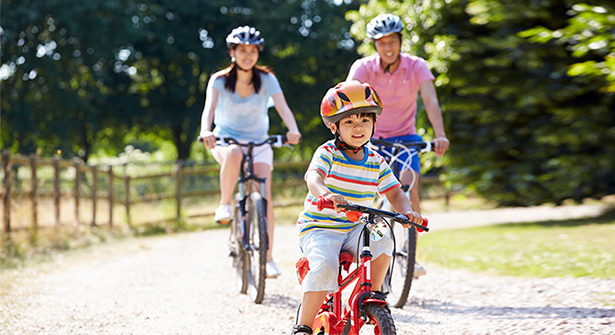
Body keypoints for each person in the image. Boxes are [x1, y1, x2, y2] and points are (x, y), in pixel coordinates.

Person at [289, 80, 424, 335]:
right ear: (334, 126)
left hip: (356, 226)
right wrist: (326, 194)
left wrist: (407, 211)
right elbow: (313, 177)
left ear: (374, 123)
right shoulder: (327, 152)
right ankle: (303, 326)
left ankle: (371, 294)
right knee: (325, 266)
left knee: (384, 237)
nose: (358, 127)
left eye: (365, 120)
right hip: (321, 227)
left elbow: (395, 191)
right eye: (349, 121)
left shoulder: (375, 160)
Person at [346, 13, 449, 278]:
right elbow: (349, 97)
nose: (388, 47)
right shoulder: (364, 67)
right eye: (382, 43)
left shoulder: (416, 66)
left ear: (400, 41)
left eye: (392, 41)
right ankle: (370, 247)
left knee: (409, 183)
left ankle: (409, 255)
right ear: (374, 45)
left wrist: (439, 134)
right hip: (373, 139)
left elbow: (431, 102)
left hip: (406, 138)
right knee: (370, 194)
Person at [199, 26, 302, 278]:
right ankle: (224, 205)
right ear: (232, 52)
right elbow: (209, 109)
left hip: (259, 143)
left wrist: (293, 129)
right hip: (226, 141)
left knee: (264, 196)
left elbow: (283, 107)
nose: (248, 55)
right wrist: (206, 130)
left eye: (253, 51)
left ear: (258, 53)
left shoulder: (267, 79)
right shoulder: (220, 80)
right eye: (242, 50)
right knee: (233, 153)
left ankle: (267, 259)